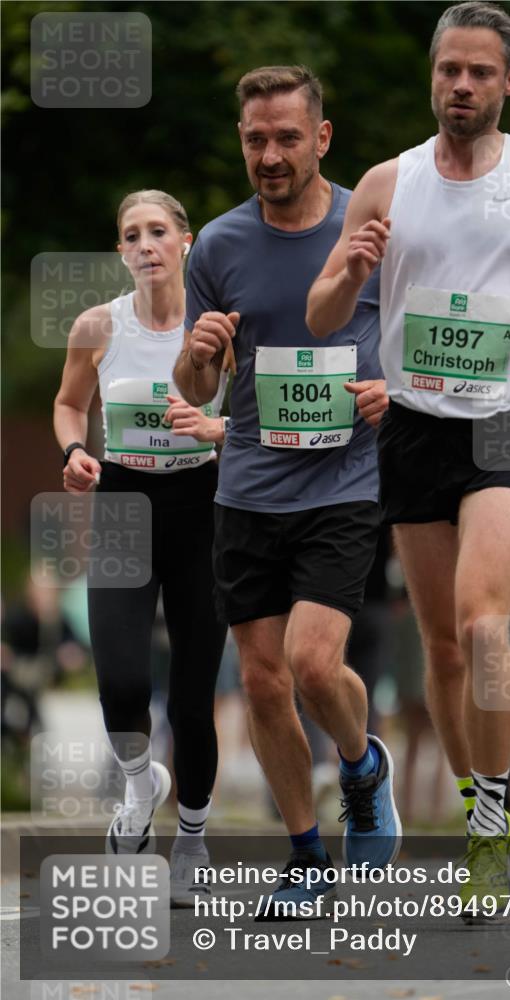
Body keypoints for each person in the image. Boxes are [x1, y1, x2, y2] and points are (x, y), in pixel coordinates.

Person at [306, 0, 510, 919]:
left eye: (479, 72)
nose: (460, 85)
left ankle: (490, 822)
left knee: (484, 623)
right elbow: (326, 319)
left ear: (507, 83)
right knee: (441, 645)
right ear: (433, 74)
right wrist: (350, 273)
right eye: (449, 68)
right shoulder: (385, 182)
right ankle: (479, 808)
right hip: (414, 424)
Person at [173, 65, 400, 918]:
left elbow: (416, 336)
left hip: (347, 478)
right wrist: (197, 350)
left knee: (311, 664)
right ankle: (305, 854)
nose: (269, 155)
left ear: (323, 138)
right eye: (254, 140)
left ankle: (360, 764)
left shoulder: (372, 226)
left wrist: (396, 391)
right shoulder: (219, 247)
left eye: (286, 138)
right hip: (248, 485)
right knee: (263, 681)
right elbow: (195, 386)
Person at [53, 190, 226, 907]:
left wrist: (216, 430)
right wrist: (73, 449)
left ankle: (191, 840)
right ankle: (137, 786)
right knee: (121, 676)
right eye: (132, 235)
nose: (146, 244)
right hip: (125, 501)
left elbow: (244, 413)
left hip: (203, 506)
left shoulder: (215, 328)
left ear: (185, 241)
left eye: (159, 231)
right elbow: (70, 402)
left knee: (192, 694)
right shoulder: (98, 325)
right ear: (121, 251)